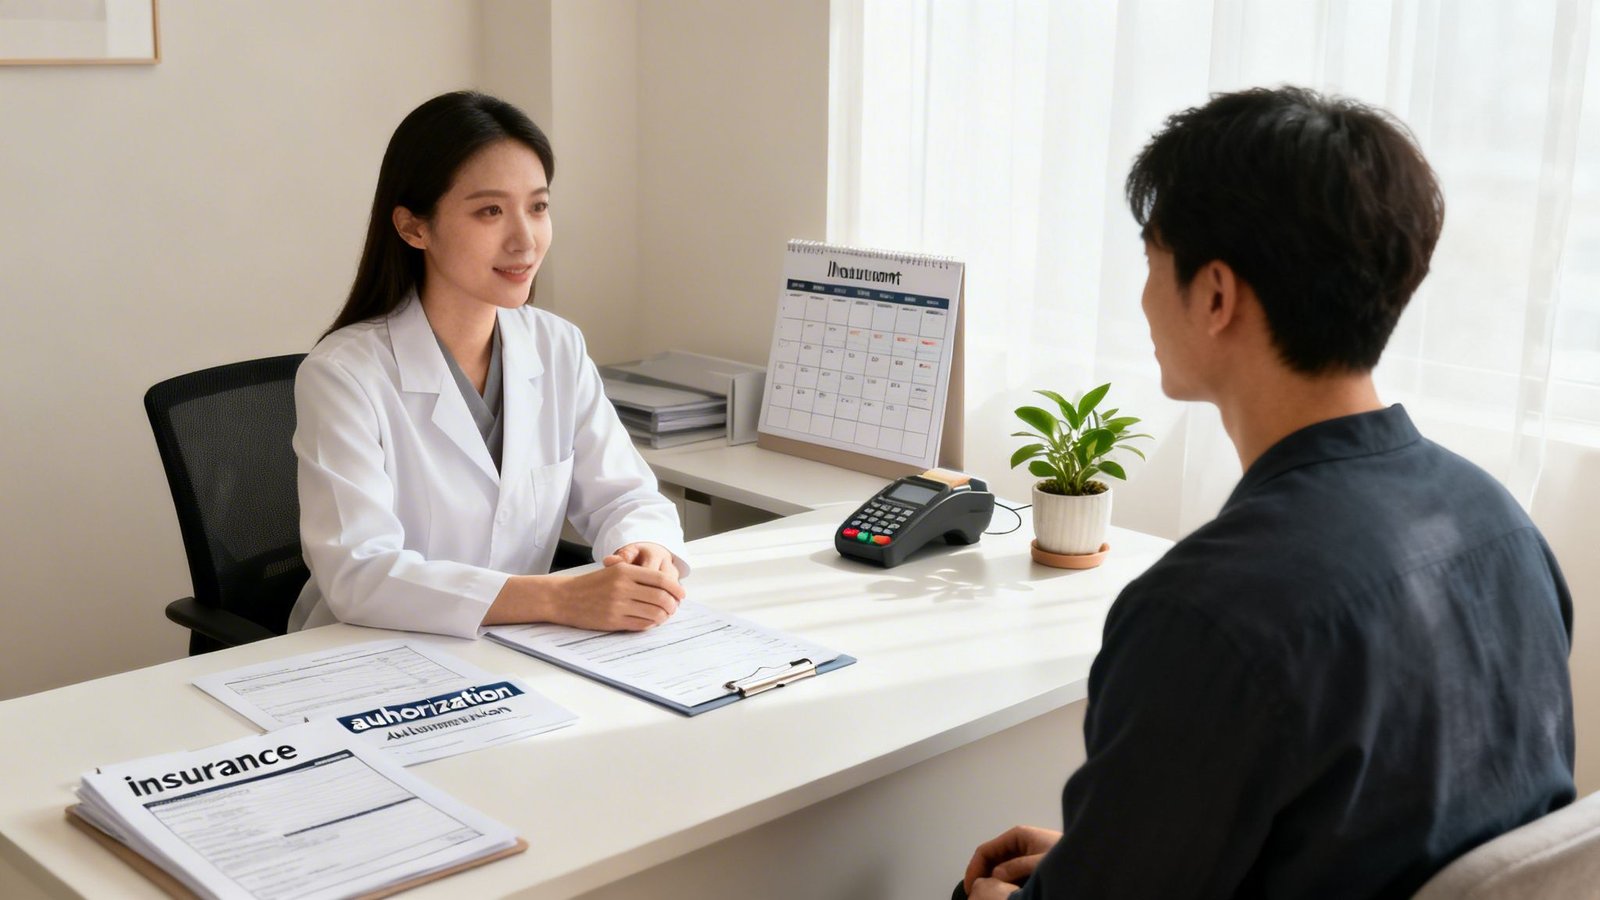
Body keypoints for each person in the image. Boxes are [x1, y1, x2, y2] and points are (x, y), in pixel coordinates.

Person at [959, 87, 1575, 899]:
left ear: (1216, 294)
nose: (1143, 300)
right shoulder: (1498, 523)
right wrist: (1102, 854)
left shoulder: (1209, 611)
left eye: (1150, 264)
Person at [288, 91, 688, 640]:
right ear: (413, 228)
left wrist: (645, 549)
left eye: (538, 206)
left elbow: (626, 495)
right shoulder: (344, 374)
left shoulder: (557, 347)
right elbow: (359, 574)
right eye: (490, 211)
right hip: (369, 654)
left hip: (512, 648)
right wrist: (560, 596)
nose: (525, 240)